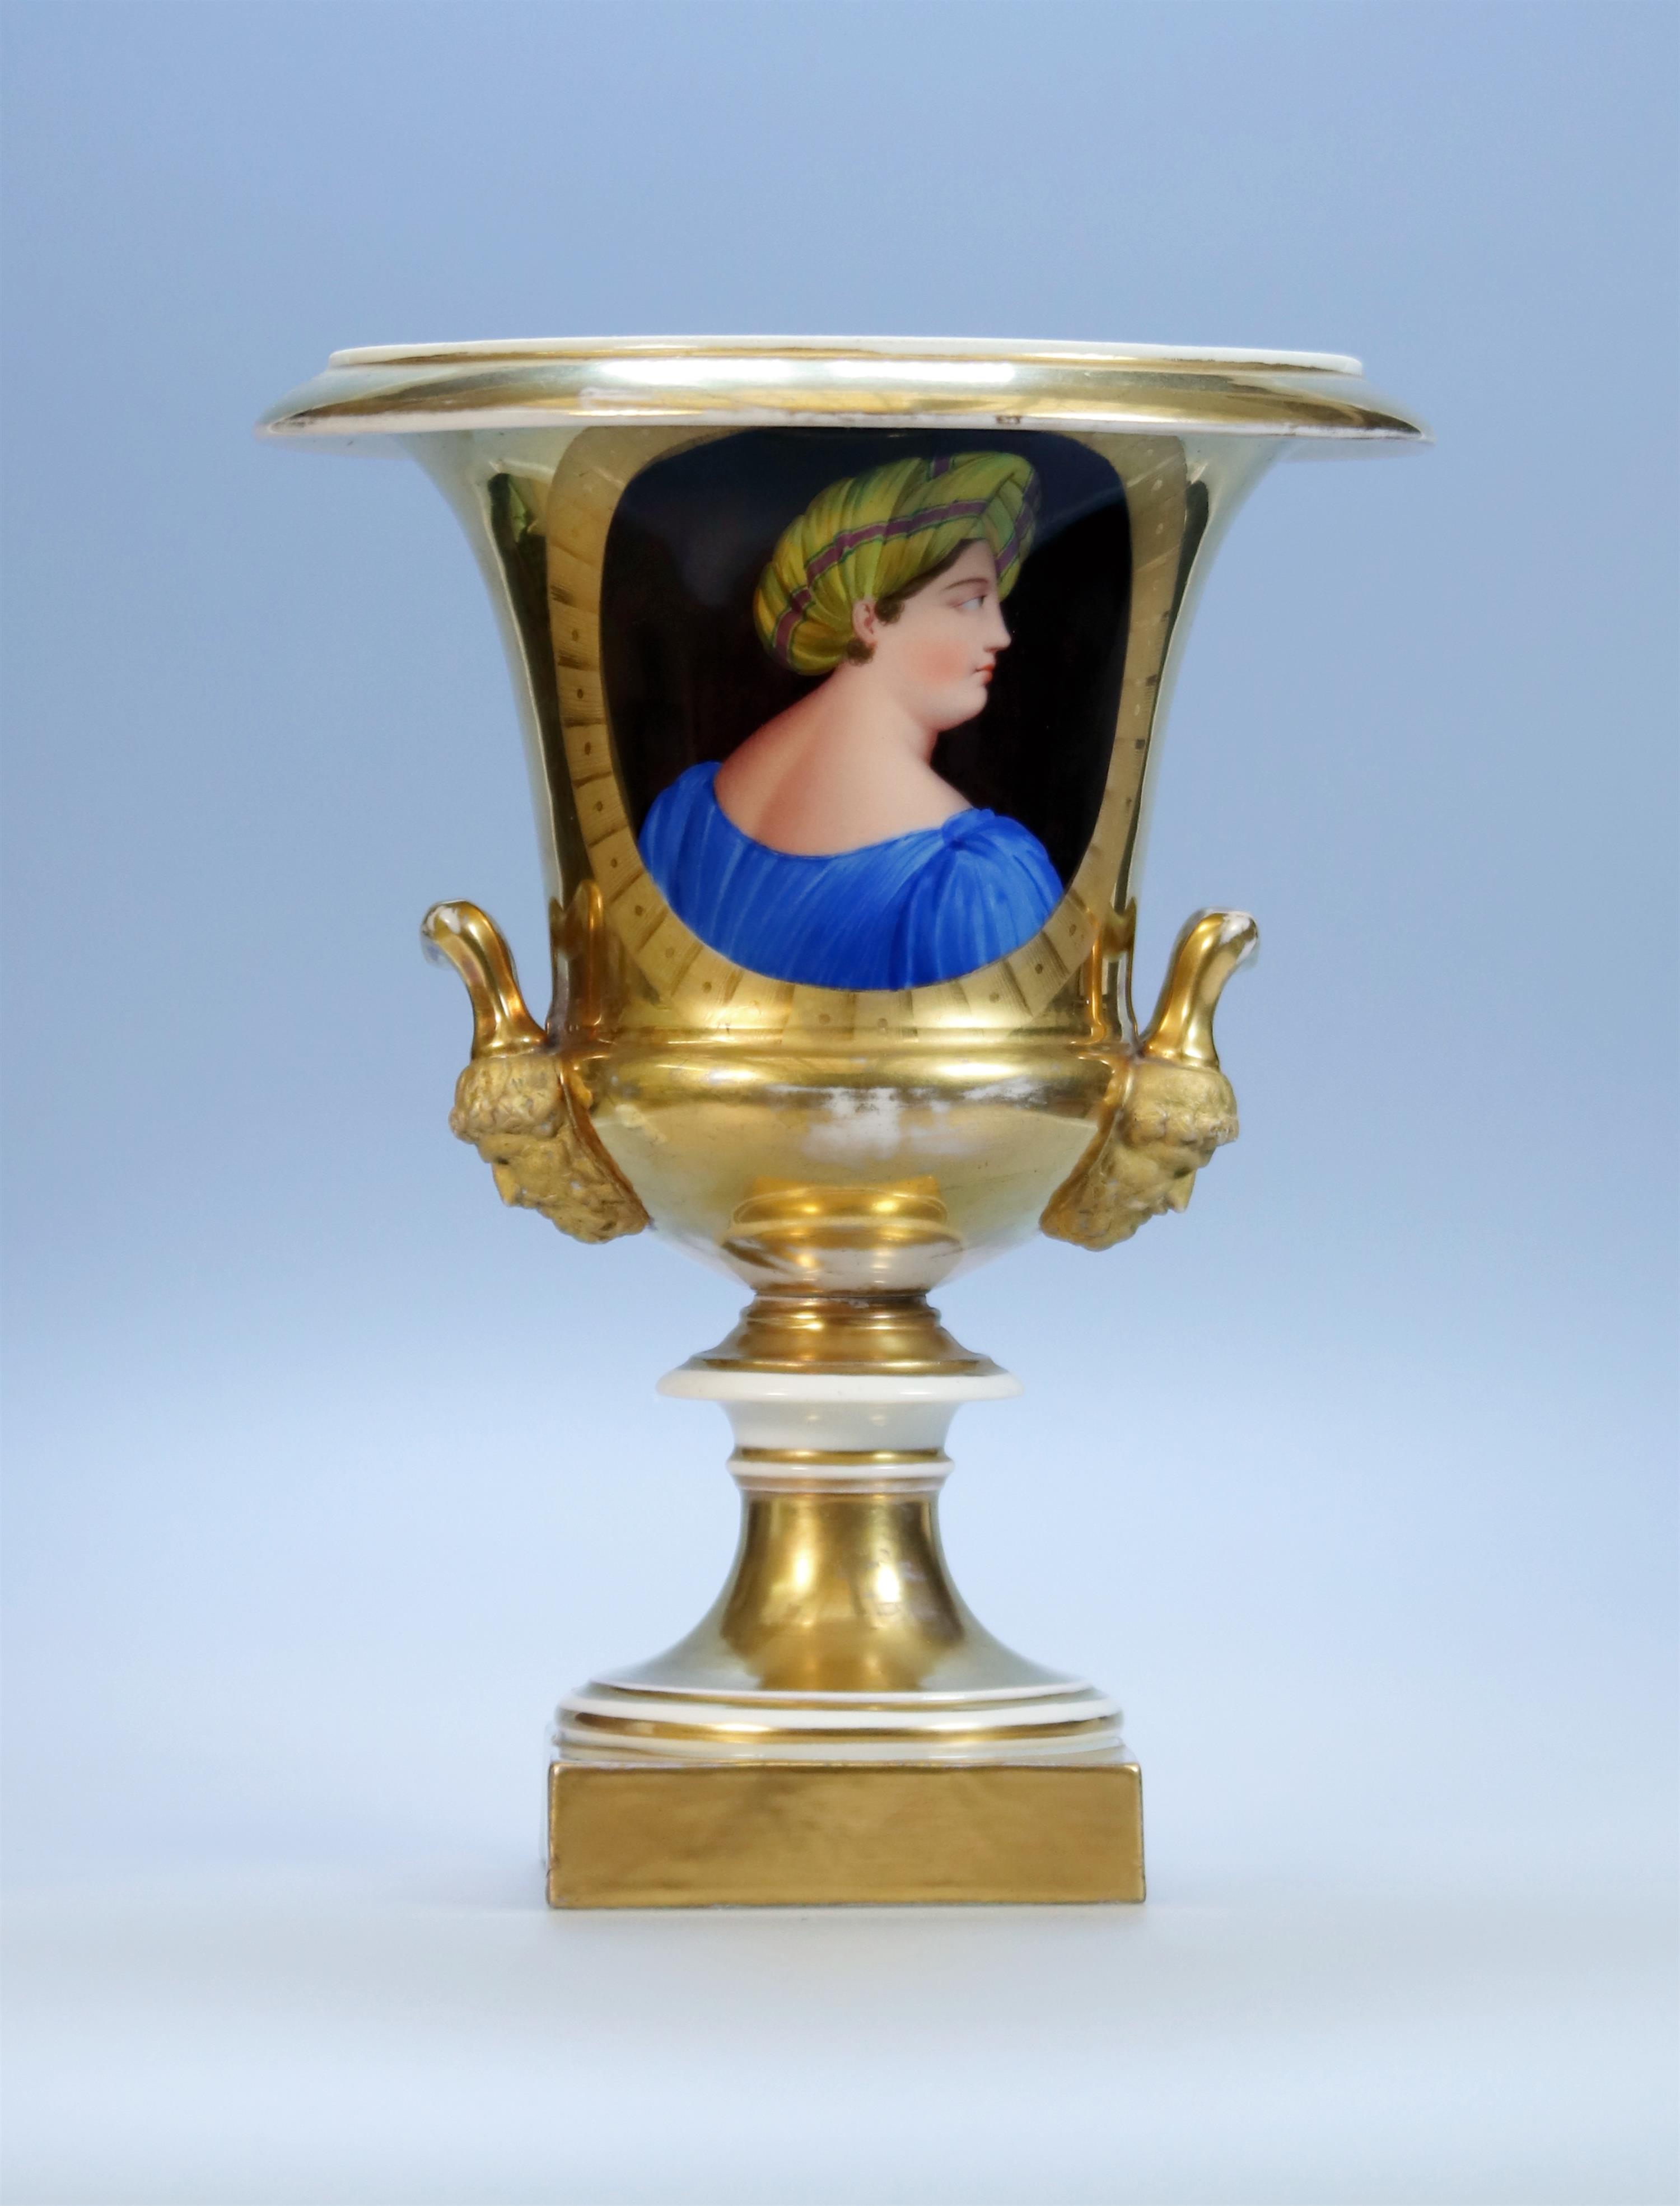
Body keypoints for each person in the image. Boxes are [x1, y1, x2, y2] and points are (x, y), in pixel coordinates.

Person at [637, 451, 1061, 990]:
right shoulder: (975, 886)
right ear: (869, 618)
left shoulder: (687, 811)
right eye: (971, 602)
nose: (1001, 635)